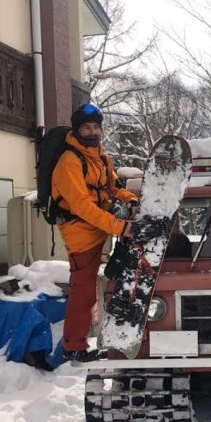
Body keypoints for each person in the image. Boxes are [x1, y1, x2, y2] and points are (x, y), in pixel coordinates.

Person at [53, 103, 138, 362]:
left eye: (96, 127)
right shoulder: (70, 161)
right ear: (78, 130)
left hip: (102, 225)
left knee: (120, 272)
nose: (92, 132)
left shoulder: (100, 155)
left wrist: (130, 198)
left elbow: (112, 188)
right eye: (86, 127)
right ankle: (74, 346)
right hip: (80, 231)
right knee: (84, 290)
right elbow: (81, 205)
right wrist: (120, 226)